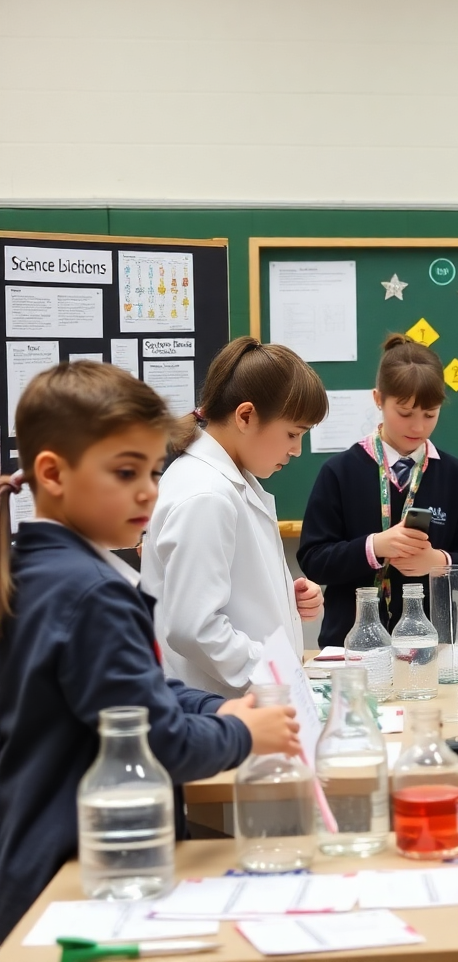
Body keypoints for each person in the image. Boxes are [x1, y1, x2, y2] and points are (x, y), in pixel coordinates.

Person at [0, 361, 300, 943]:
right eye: (125, 472)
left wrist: (214, 708)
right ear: (53, 473)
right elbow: (157, 743)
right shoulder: (92, 594)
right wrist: (243, 734)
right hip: (81, 880)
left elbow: (140, 692)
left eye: (153, 471)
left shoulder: (41, 570)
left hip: (44, 863)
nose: (148, 492)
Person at [142, 337, 328, 697]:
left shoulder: (229, 482)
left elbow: (223, 591)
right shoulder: (206, 494)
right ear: (245, 416)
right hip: (218, 713)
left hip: (241, 709)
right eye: (293, 433)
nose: (296, 450)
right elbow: (195, 628)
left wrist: (283, 599)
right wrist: (278, 677)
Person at [299, 334, 458, 647]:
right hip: (351, 645)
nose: (418, 427)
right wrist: (374, 547)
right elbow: (314, 559)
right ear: (378, 399)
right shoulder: (340, 472)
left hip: (431, 644)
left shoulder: (453, 475)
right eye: (404, 413)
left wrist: (439, 562)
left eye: (430, 414)